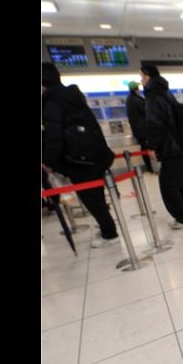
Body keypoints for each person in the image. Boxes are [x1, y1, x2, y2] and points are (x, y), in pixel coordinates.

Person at [41, 62, 120, 248]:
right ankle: (107, 226)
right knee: (97, 195)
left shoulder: (52, 103)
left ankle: (110, 233)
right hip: (94, 155)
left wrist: (48, 161)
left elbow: (54, 136)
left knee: (90, 198)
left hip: (78, 161)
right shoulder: (74, 97)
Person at [141, 64, 183, 229]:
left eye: (142, 77)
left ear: (148, 76)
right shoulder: (166, 92)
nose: (141, 80)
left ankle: (182, 218)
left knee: (168, 184)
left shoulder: (152, 95)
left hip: (171, 148)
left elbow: (154, 123)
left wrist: (152, 145)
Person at [125, 81, 155, 173]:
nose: (139, 89)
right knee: (147, 148)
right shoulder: (136, 100)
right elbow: (147, 112)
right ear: (135, 89)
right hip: (143, 130)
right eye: (138, 88)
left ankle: (150, 167)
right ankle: (151, 168)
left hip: (138, 130)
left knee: (144, 148)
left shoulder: (129, 99)